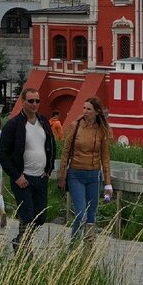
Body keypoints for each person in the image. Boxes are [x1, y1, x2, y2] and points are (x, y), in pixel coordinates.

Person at [0, 86, 56, 251]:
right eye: (31, 101)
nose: (34, 104)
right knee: (27, 214)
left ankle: (20, 240)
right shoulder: (14, 125)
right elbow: (2, 153)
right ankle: (24, 247)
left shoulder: (44, 122)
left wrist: (49, 169)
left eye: (37, 101)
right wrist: (16, 176)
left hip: (41, 177)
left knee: (41, 217)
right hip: (23, 178)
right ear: (23, 102)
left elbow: (51, 145)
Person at [58, 97, 114, 245]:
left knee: (91, 216)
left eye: (89, 109)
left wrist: (108, 184)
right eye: (84, 108)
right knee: (81, 214)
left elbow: (105, 158)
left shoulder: (102, 131)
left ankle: (88, 248)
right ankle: (73, 246)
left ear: (96, 112)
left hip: (94, 176)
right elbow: (65, 153)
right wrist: (62, 176)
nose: (85, 111)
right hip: (76, 174)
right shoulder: (75, 126)